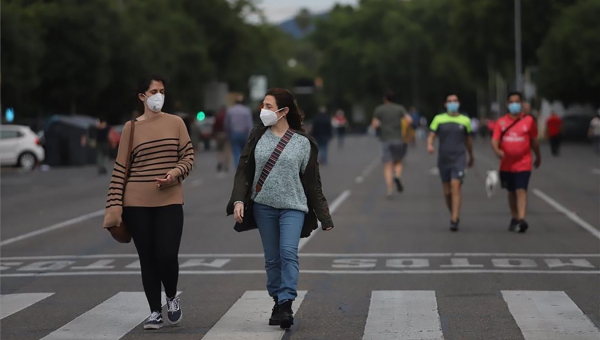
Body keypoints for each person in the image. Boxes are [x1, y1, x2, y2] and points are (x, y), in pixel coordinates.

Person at [226, 88, 334, 329]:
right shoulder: (257, 136)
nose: (263, 110)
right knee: (272, 259)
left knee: (288, 253)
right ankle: (277, 299)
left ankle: (286, 303)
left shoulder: (303, 143)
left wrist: (324, 217)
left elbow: (313, 183)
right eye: (262, 105)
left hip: (293, 207)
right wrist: (239, 200)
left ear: (283, 111)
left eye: (268, 106)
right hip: (263, 206)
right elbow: (243, 171)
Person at [102, 75, 194, 330]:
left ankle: (172, 297)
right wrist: (114, 203)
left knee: (167, 253)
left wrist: (174, 174)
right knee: (147, 258)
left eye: (162, 91)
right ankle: (154, 311)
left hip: (170, 198)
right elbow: (121, 168)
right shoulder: (131, 128)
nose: (159, 96)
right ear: (142, 96)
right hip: (136, 202)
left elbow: (188, 157)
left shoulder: (176, 123)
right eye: (154, 91)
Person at [491, 91, 541, 233]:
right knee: (511, 191)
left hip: (524, 162)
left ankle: (521, 219)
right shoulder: (501, 122)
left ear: (521, 103)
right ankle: (514, 217)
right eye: (511, 102)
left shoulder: (529, 121)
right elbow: (494, 140)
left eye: (517, 102)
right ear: (507, 104)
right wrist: (497, 151)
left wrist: (538, 156)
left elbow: (534, 142)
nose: (514, 105)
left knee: (521, 190)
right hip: (506, 164)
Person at [427, 94, 474, 231]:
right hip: (444, 159)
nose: (452, 103)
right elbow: (431, 135)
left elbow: (468, 140)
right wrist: (430, 145)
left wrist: (471, 155)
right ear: (445, 104)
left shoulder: (465, 120)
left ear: (459, 103)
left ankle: (454, 218)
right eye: (450, 101)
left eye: (455, 101)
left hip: (459, 158)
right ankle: (453, 212)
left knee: (456, 185)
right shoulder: (439, 119)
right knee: (447, 192)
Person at [371, 90, 413, 197]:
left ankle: (390, 189)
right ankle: (397, 176)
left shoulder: (379, 109)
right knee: (398, 161)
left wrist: (380, 128)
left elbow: (374, 124)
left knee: (387, 165)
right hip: (398, 138)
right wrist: (406, 129)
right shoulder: (399, 108)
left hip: (385, 139)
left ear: (385, 98)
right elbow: (409, 120)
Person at [225, 94, 253, 169]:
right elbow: (249, 124)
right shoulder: (246, 110)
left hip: (234, 133)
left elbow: (227, 124)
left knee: (236, 152)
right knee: (245, 152)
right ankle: (245, 167)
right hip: (244, 133)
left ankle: (238, 168)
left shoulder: (230, 110)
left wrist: (228, 133)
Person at [213, 106, 230, 173]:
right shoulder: (227, 116)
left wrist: (214, 134)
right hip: (226, 134)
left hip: (219, 134)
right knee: (227, 149)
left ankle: (220, 161)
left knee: (219, 149)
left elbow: (214, 126)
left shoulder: (218, 116)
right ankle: (226, 164)